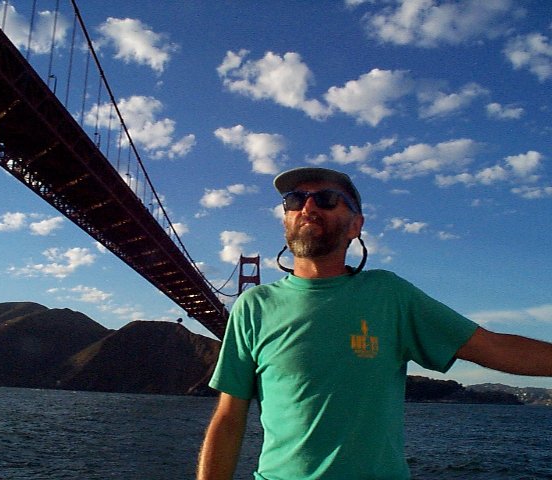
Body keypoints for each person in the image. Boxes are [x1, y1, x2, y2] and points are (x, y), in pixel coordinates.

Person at [196, 166, 552, 480]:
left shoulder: (390, 295)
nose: (308, 207)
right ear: (285, 219)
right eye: (295, 200)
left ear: (356, 225)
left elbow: (492, 347)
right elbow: (228, 419)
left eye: (326, 199)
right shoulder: (253, 306)